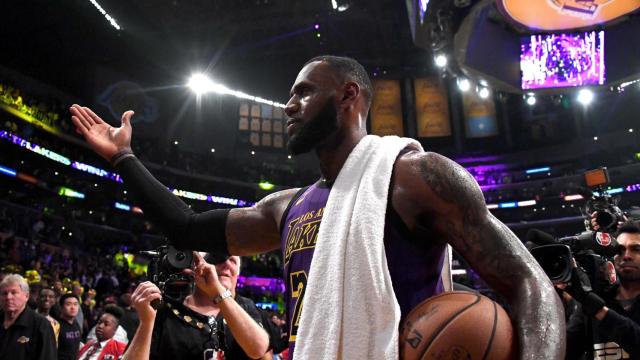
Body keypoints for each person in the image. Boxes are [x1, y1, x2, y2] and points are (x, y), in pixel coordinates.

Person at [70, 55, 565, 359]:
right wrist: (124, 157)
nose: (288, 106)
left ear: (349, 95)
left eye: (303, 92)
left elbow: (528, 281)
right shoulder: (286, 208)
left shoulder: (414, 176)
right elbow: (185, 228)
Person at [122, 252, 270, 359]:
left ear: (237, 274)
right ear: (196, 267)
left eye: (233, 260)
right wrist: (146, 323)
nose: (226, 264)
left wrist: (216, 291)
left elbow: (258, 349)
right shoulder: (165, 309)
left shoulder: (246, 307)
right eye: (218, 258)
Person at [564, 221, 640, 358]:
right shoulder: (596, 302)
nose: (626, 256)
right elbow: (563, 352)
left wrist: (596, 308)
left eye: (636, 249)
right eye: (620, 250)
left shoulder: (593, 304)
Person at [0, 274, 57, 360]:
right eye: (4, 293)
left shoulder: (41, 325)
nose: (8, 297)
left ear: (26, 296)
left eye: (14, 292)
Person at [57, 293, 82, 360]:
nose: (73, 307)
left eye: (75, 304)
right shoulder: (56, 326)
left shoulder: (76, 324)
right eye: (68, 304)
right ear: (61, 307)